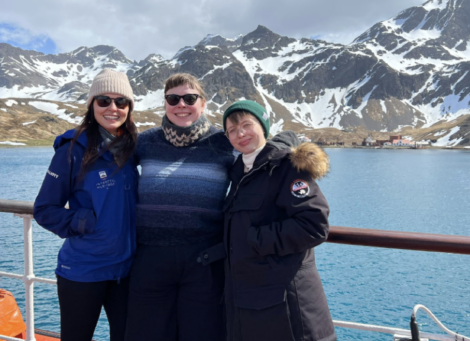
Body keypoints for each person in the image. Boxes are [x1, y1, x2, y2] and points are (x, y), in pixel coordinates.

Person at [125, 73, 236, 341]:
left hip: (204, 260)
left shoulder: (224, 142)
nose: (181, 105)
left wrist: (290, 146)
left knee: (203, 334)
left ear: (203, 103)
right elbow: (105, 161)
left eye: (189, 98)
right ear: (165, 103)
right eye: (173, 99)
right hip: (149, 258)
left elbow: (261, 150)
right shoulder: (145, 142)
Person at [33, 69, 139, 341]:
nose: (113, 108)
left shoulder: (133, 148)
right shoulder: (72, 149)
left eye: (121, 102)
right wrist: (83, 221)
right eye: (103, 100)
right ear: (92, 105)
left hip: (125, 272)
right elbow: (44, 209)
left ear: (129, 107)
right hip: (83, 271)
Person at [222, 100, 337, 341]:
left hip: (287, 305)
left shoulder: (285, 167)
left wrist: (255, 239)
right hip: (255, 302)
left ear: (263, 126)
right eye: (232, 130)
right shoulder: (240, 172)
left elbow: (314, 225)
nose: (240, 133)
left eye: (246, 125)